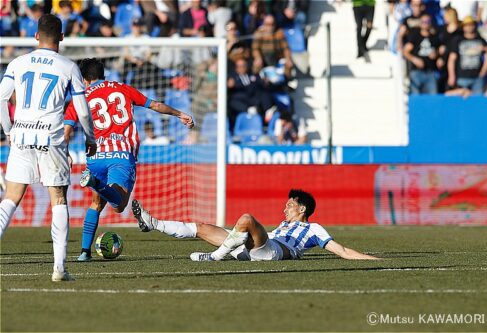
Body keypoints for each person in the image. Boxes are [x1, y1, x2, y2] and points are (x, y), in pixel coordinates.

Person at [64, 58, 194, 262]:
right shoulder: (123, 88)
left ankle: (84, 253)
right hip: (121, 152)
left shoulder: (80, 97)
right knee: (119, 204)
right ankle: (95, 182)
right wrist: (179, 114)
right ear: (103, 75)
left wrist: (66, 152)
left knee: (96, 203)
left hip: (95, 155)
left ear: (85, 79)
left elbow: (67, 130)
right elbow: (155, 105)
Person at [0, 14, 97, 282]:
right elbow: (83, 112)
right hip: (51, 138)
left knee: (11, 198)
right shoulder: (68, 67)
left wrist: (9, 130)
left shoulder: (18, 63)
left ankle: (60, 267)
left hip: (21, 136)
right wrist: (90, 138)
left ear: (35, 36)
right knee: (59, 199)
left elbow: (0, 97)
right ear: (62, 37)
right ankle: (59, 268)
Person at [132, 189, 379, 261]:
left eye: (290, 205)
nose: (285, 208)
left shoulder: (314, 229)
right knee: (203, 227)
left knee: (247, 219)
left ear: (302, 209)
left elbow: (343, 251)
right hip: (255, 246)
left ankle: (217, 256)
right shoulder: (282, 223)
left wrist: (375, 260)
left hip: (273, 251)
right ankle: (152, 222)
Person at [447, 16, 487, 96]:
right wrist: (451, 75)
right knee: (461, 102)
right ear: (463, 27)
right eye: (467, 25)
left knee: (477, 102)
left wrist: (483, 72)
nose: (469, 27)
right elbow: (452, 59)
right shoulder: (458, 40)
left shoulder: (481, 40)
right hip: (462, 77)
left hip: (477, 78)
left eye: (471, 24)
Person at [403, 13, 440, 94]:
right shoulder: (415, 35)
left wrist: (436, 54)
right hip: (417, 72)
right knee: (416, 97)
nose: (425, 24)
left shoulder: (434, 37)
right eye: (423, 22)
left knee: (432, 98)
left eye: (427, 21)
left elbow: (439, 50)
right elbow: (405, 51)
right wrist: (414, 59)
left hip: (430, 72)